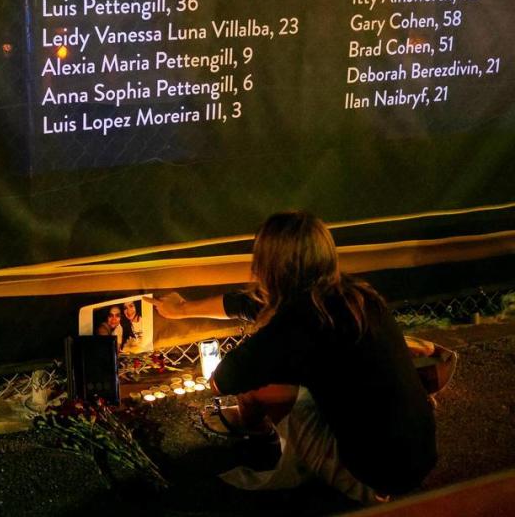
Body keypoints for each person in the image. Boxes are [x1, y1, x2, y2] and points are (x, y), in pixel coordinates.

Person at [148, 211, 436, 503]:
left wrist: (262, 348)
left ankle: (259, 445)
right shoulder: (356, 295)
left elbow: (223, 380)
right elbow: (247, 304)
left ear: (268, 266)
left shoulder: (297, 325)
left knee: (253, 390)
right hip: (420, 456)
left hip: (372, 476)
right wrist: (181, 309)